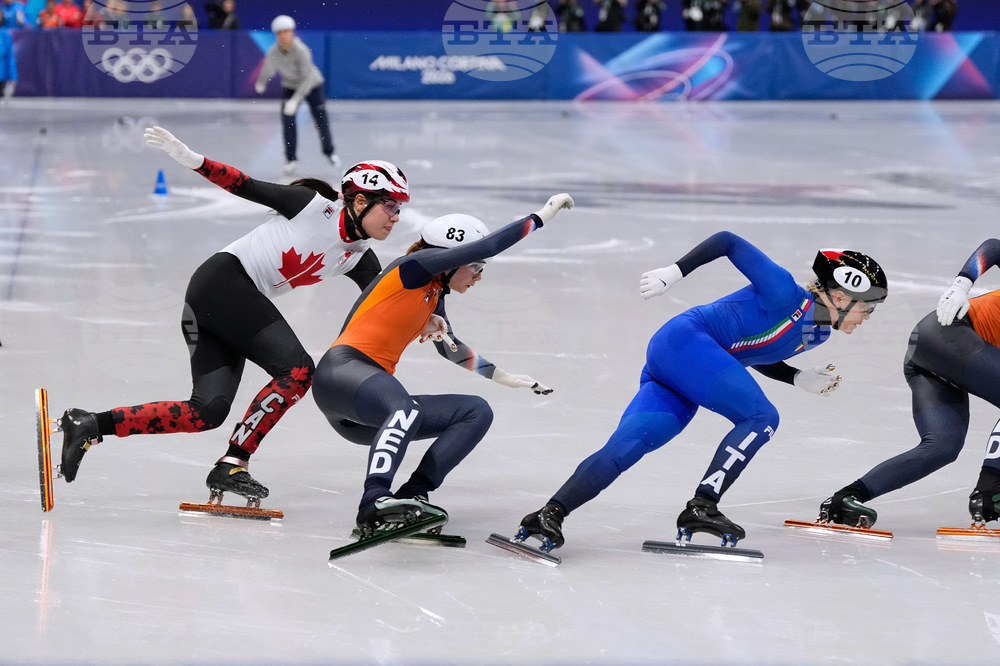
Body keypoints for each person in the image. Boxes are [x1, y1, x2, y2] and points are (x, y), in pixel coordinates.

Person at [57, 126, 410, 504]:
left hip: (219, 302)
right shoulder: (311, 206)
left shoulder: (359, 257)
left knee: (205, 412)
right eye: (390, 206)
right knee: (298, 370)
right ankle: (232, 463)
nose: (397, 217)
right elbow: (245, 184)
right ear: (359, 202)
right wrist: (194, 161)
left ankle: (90, 423)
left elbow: (390, 302)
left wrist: (431, 319)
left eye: (399, 208)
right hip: (223, 283)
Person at [516, 232, 888, 551]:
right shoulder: (783, 290)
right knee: (761, 418)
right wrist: (674, 272)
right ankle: (703, 506)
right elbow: (728, 241)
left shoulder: (818, 332)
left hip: (687, 363)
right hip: (687, 342)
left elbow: (755, 351)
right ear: (840, 297)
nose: (867, 317)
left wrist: (794, 378)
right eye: (868, 307)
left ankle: (548, 514)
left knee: (631, 443)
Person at [312, 195, 574, 535]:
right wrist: (541, 216)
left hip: (368, 404)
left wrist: (504, 377)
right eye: (477, 266)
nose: (479, 277)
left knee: (475, 411)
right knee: (404, 408)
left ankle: (412, 497)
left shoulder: (434, 292)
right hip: (342, 372)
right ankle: (373, 502)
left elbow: (450, 350)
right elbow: (493, 242)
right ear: (451, 259)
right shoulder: (416, 267)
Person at [821, 239, 1000, 529]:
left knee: (942, 447)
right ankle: (990, 491)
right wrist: (961, 286)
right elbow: (994, 247)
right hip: (948, 332)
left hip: (926, 355)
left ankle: (845, 499)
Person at [254, 15, 338, 176]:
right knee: (288, 121)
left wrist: (295, 100)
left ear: (292, 32)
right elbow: (268, 68)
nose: (284, 36)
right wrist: (261, 82)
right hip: (290, 87)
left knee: (320, 119)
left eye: (286, 32)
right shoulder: (274, 51)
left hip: (312, 86)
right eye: (280, 33)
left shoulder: (301, 50)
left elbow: (306, 78)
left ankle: (330, 153)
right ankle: (290, 159)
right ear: (276, 35)